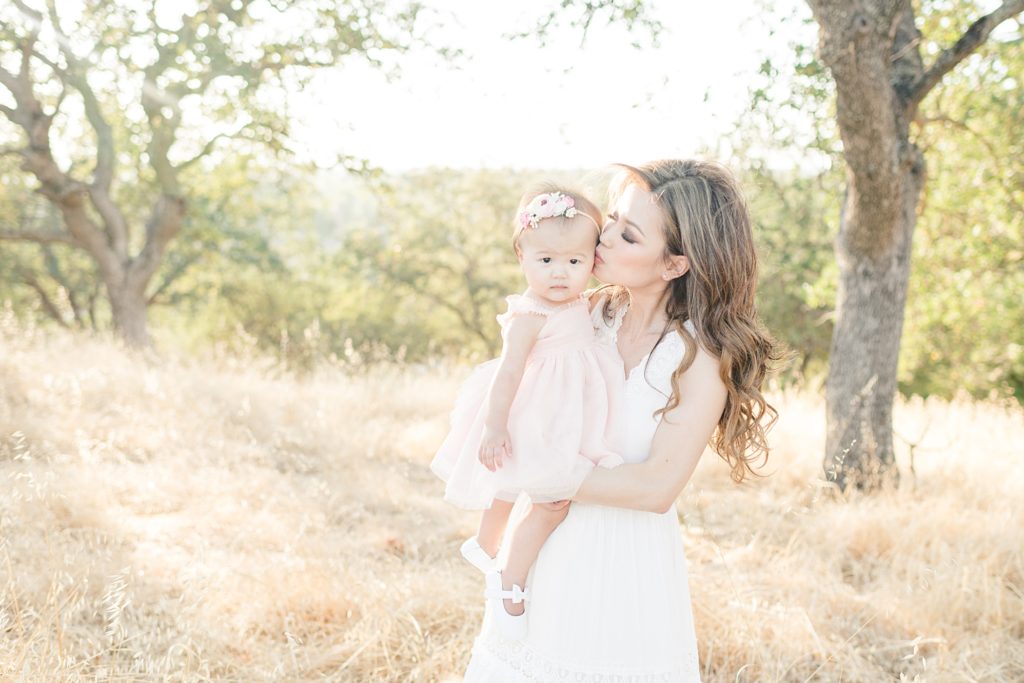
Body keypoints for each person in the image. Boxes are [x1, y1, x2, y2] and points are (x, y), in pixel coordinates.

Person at [462, 159, 779, 681]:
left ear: (674, 264)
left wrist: (545, 472)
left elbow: (656, 487)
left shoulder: (696, 355)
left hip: (623, 570)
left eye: (628, 235)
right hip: (542, 554)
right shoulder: (587, 316)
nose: (602, 237)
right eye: (611, 219)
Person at [430, 184, 628, 639]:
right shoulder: (530, 313)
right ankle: (509, 580)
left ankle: (484, 544)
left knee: (517, 484)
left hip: (565, 413)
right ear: (522, 256)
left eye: (574, 262)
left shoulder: (583, 300)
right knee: (548, 500)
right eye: (546, 261)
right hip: (532, 409)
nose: (560, 273)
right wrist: (494, 425)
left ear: (591, 262)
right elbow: (509, 370)